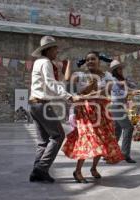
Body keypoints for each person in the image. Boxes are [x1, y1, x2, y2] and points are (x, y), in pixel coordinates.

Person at [62, 51, 124, 183]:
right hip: (85, 112)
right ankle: (77, 171)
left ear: (98, 61)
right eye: (88, 59)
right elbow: (67, 80)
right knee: (87, 139)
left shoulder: (107, 76)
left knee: (102, 140)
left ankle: (94, 168)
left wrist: (87, 94)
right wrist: (68, 64)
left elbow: (105, 91)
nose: (90, 61)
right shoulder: (80, 75)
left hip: (102, 112)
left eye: (93, 59)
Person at [29, 36, 80, 183]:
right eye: (55, 48)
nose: (57, 51)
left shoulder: (39, 62)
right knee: (58, 135)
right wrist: (69, 97)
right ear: (49, 49)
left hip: (34, 104)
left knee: (43, 142)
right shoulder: (46, 63)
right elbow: (51, 83)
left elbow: (51, 84)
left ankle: (36, 172)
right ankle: (41, 169)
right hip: (42, 104)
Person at [109, 60, 137, 163]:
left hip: (119, 106)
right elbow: (122, 94)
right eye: (118, 69)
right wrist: (126, 86)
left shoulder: (122, 80)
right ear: (115, 70)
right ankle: (125, 154)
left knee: (117, 130)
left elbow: (134, 86)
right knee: (128, 128)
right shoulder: (113, 80)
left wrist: (126, 82)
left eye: (121, 68)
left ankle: (110, 153)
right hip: (116, 106)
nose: (121, 70)